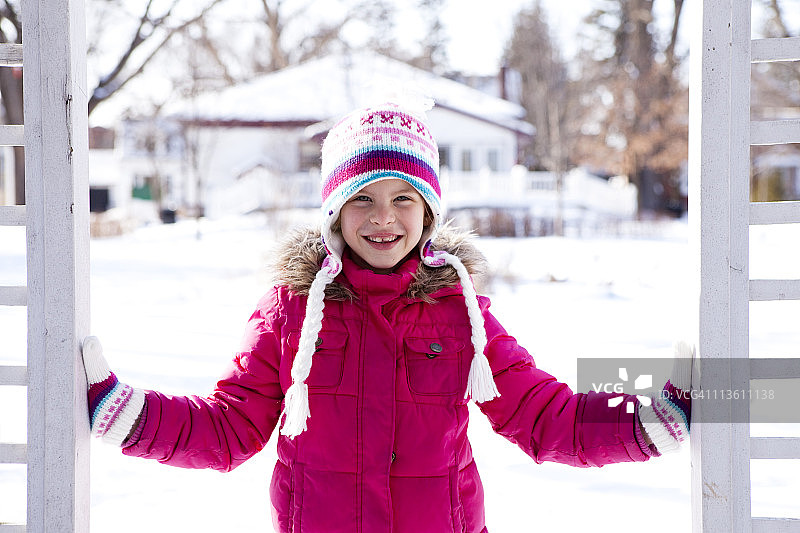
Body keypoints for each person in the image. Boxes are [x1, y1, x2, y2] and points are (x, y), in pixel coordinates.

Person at [83, 100, 692, 533]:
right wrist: (123, 413)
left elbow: (541, 414)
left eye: (403, 198)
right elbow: (227, 429)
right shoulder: (294, 311)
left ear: (427, 212)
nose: (383, 219)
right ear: (333, 212)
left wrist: (649, 424)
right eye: (363, 200)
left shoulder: (459, 314)